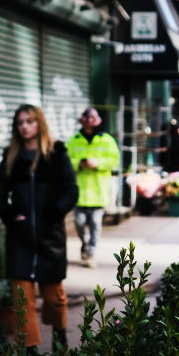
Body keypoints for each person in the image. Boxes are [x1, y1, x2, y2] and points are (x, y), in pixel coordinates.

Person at [0, 104, 77, 351]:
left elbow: (71, 191)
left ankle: (59, 332)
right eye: (20, 122)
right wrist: (10, 215)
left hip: (50, 237)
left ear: (39, 123)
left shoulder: (56, 153)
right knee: (22, 299)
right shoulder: (11, 156)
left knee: (54, 298)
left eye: (29, 121)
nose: (25, 126)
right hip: (20, 239)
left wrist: (54, 211)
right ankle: (30, 350)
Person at [65, 107, 120, 267]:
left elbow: (114, 160)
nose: (90, 121)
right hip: (80, 191)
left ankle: (91, 252)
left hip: (99, 190)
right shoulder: (73, 141)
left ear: (99, 120)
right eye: (86, 117)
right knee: (79, 222)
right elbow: (66, 162)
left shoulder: (107, 140)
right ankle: (85, 243)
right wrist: (79, 164)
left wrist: (98, 163)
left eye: (93, 118)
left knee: (96, 224)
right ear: (81, 120)